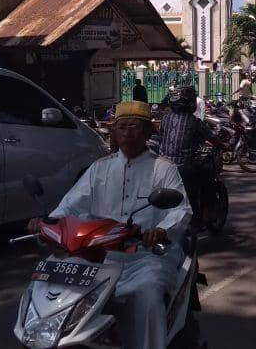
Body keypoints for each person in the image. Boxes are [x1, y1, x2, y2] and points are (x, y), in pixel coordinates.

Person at [34, 101, 191, 349]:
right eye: (122, 126)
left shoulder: (164, 169)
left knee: (147, 294)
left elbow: (181, 210)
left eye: (135, 126)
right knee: (56, 286)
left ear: (149, 131)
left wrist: (161, 230)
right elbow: (72, 204)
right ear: (114, 132)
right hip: (98, 257)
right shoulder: (99, 168)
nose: (128, 132)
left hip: (146, 257)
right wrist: (47, 223)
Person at [158, 86, 219, 220]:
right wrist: (222, 145)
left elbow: (161, 136)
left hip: (163, 165)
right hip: (184, 167)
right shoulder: (194, 121)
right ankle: (205, 211)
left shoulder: (165, 118)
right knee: (207, 174)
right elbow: (211, 138)